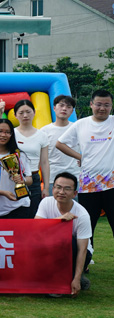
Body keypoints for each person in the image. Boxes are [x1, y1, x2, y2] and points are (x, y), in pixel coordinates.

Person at [56, 89, 114, 245]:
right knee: (87, 226)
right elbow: (60, 143)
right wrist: (80, 157)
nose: (102, 108)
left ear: (111, 106)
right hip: (88, 186)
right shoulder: (81, 124)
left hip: (112, 184)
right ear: (91, 104)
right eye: (98, 104)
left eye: (107, 105)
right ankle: (86, 256)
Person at [35, 171, 92, 296]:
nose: (61, 192)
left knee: (66, 239)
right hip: (52, 248)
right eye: (58, 187)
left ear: (75, 193)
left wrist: (76, 279)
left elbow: (82, 250)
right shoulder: (46, 203)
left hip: (75, 251)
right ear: (53, 189)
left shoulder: (82, 215)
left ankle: (76, 277)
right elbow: (36, 227)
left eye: (67, 189)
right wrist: (59, 220)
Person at [13, 99, 51, 217]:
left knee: (34, 212)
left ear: (34, 113)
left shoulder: (42, 135)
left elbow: (44, 162)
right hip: (15, 179)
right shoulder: (11, 134)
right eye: (21, 113)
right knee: (17, 213)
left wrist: (46, 187)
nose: (25, 115)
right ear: (15, 115)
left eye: (28, 112)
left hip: (34, 179)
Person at [41, 94, 80, 184]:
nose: (64, 109)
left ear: (72, 111)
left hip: (75, 177)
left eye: (68, 107)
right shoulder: (44, 131)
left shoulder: (77, 128)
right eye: (61, 105)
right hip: (52, 178)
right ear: (54, 108)